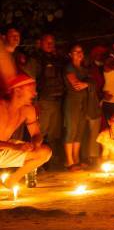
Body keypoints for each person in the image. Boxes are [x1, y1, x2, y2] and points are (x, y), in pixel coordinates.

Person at [0, 74, 52, 189]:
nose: (35, 93)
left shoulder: (29, 110)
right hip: (8, 147)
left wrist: (36, 144)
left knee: (44, 152)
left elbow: (36, 134)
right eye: (31, 90)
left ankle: (11, 180)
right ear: (18, 90)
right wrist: (14, 147)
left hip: (5, 151)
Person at [24, 34, 64, 166]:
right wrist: (34, 101)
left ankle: (50, 163)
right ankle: (35, 165)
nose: (50, 44)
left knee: (54, 133)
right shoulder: (36, 59)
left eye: (52, 42)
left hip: (57, 101)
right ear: (40, 43)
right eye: (47, 42)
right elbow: (29, 80)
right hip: (43, 101)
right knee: (40, 133)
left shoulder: (57, 58)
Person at [63, 44, 90, 171]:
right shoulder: (69, 67)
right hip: (72, 102)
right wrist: (87, 84)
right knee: (71, 130)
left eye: (81, 51)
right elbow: (76, 85)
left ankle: (76, 159)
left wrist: (87, 84)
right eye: (76, 51)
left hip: (83, 102)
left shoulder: (84, 69)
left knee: (79, 130)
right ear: (70, 54)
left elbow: (88, 83)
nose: (79, 53)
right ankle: (69, 161)